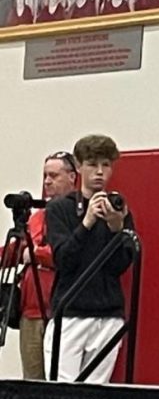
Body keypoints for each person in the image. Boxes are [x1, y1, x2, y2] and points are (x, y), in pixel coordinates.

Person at [44, 134, 137, 383]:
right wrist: (86, 223)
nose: (99, 172)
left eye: (106, 165)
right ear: (79, 166)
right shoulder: (60, 209)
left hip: (108, 314)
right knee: (62, 392)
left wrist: (117, 228)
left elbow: (121, 266)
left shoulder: (118, 209)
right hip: (70, 312)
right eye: (92, 164)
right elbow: (64, 260)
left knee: (98, 395)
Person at [16, 152, 78, 379]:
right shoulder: (37, 216)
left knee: (59, 379)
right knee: (31, 381)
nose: (47, 182)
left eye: (53, 175)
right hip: (30, 310)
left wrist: (35, 255)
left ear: (72, 177)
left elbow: (69, 252)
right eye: (45, 176)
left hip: (60, 309)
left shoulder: (77, 214)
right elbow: (19, 249)